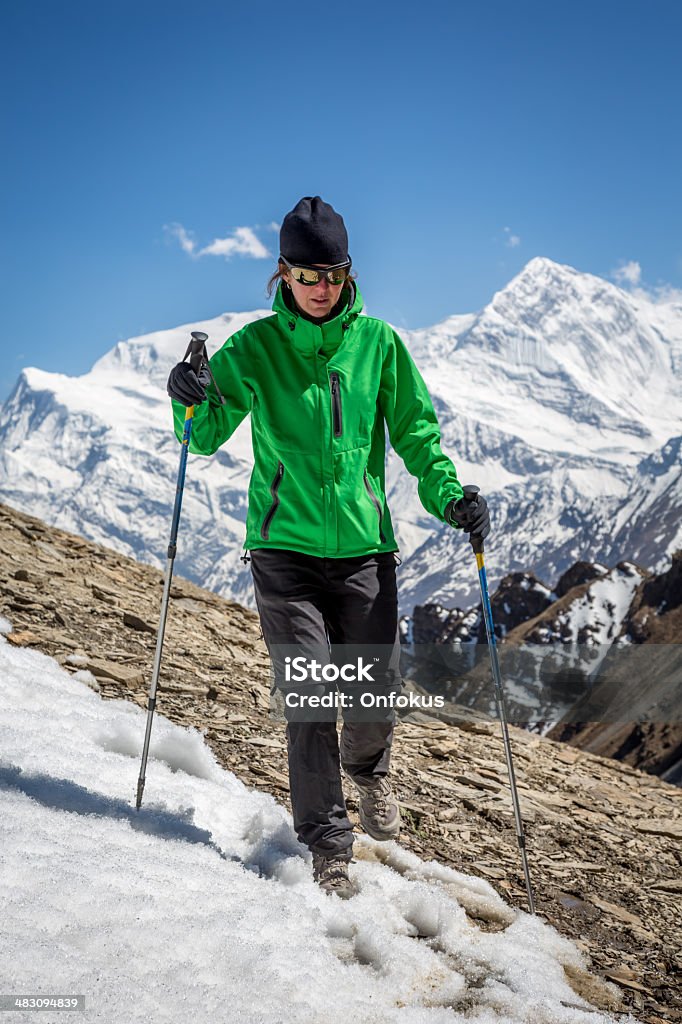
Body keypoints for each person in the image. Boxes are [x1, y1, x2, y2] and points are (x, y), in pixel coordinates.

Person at [167, 196, 490, 898]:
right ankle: (330, 848)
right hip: (284, 553)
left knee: (372, 695)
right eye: (308, 275)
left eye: (334, 275)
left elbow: (417, 437)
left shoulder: (379, 345)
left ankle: (370, 771)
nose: (321, 288)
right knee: (311, 697)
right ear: (283, 273)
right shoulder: (254, 348)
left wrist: (449, 497)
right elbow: (201, 434)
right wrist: (186, 395)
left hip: (365, 551)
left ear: (348, 274)